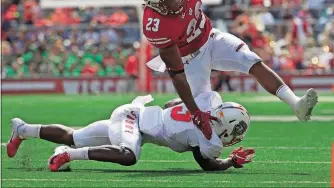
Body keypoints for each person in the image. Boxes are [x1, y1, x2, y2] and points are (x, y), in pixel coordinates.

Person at [139, 0, 318, 140]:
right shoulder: (155, 26)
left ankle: (296, 104)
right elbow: (176, 74)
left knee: (250, 59)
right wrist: (194, 111)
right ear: (157, 4)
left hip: (210, 38)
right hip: (189, 60)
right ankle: (177, 108)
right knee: (202, 111)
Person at [7, 92, 255, 172]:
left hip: (137, 117)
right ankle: (67, 156)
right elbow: (207, 163)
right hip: (134, 121)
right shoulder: (211, 142)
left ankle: (23, 129)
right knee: (128, 155)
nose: (234, 138)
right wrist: (229, 162)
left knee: (74, 136)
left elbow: (170, 105)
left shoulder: (209, 99)